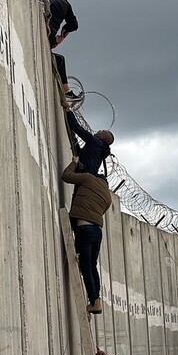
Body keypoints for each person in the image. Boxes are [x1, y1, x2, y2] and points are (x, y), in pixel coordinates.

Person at [61, 157, 112, 314]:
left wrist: (74, 163)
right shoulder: (108, 197)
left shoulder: (89, 178)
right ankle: (96, 300)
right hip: (97, 232)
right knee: (91, 265)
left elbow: (66, 176)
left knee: (85, 265)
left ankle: (94, 300)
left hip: (84, 229)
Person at [46, 0, 82, 105]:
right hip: (50, 33)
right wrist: (63, 33)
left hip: (43, 26)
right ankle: (68, 93)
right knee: (60, 60)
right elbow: (74, 25)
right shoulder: (65, 4)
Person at [65, 111, 114, 177]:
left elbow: (78, 128)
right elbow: (84, 156)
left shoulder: (96, 142)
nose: (99, 130)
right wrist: (75, 142)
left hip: (82, 173)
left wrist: (69, 111)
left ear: (103, 137)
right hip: (87, 176)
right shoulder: (101, 150)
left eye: (102, 131)